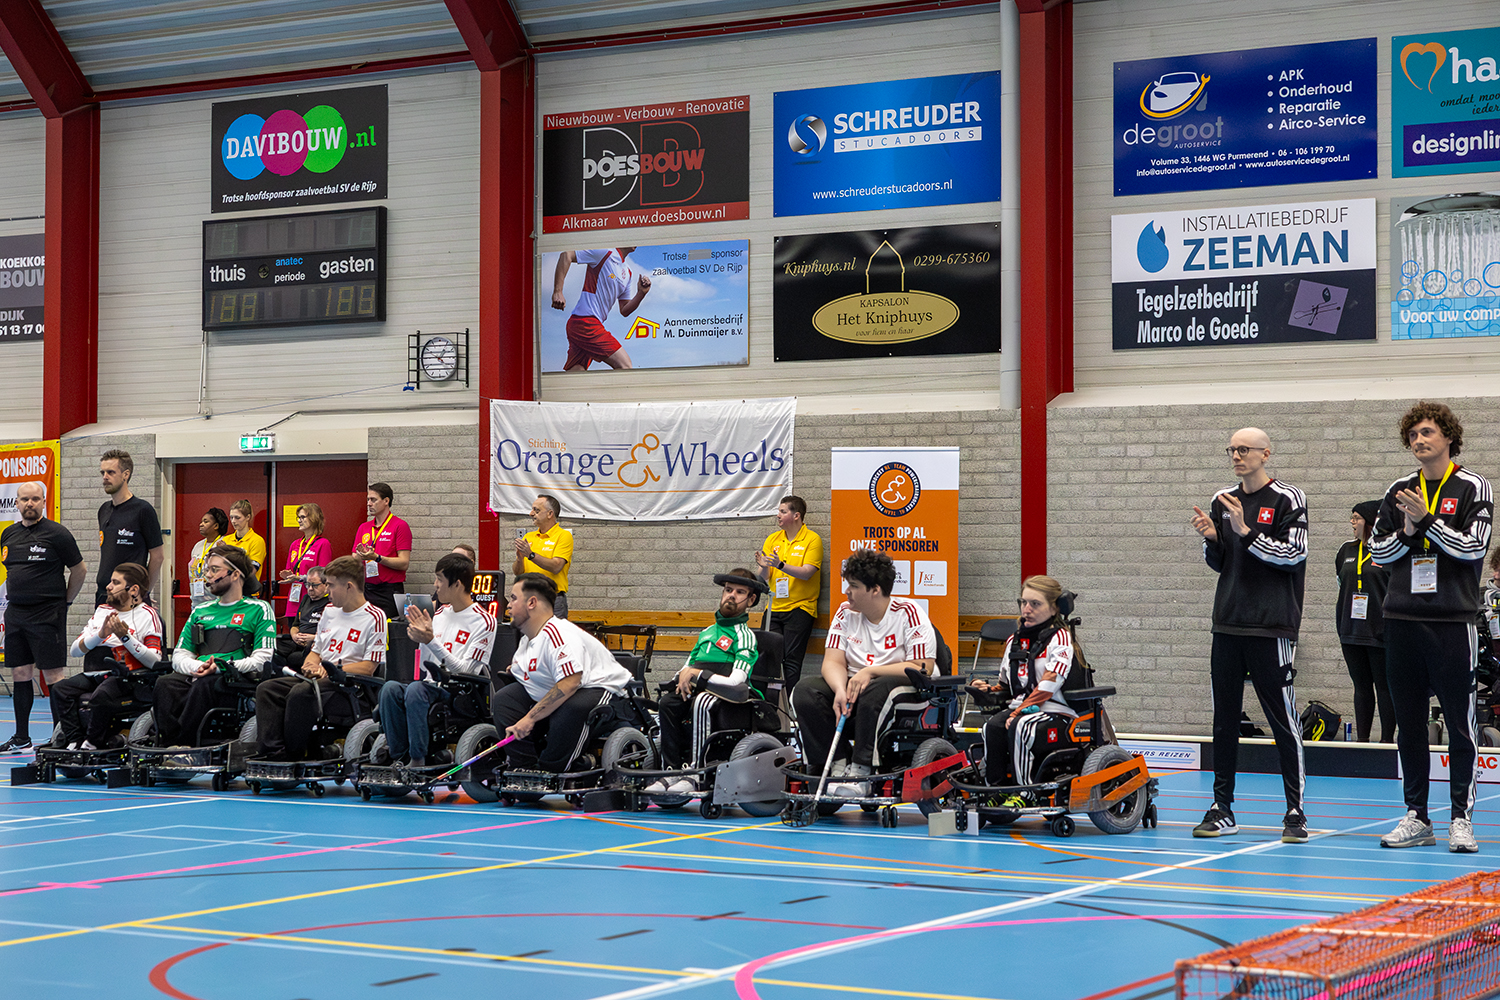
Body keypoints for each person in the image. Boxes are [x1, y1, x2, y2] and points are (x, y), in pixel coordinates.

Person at [1371, 401, 1493, 853]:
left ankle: (1461, 818)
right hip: (1402, 620)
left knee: (1460, 725)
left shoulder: (1473, 486)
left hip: (1452, 622)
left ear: (1448, 437)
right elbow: (1379, 552)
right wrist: (1407, 532)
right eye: (1412, 435)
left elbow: (1472, 548)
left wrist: (1427, 521)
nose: (1419, 441)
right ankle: (1417, 816)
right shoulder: (1399, 489)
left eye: (1427, 432)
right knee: (1409, 725)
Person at [1189, 427, 1309, 843]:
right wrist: (1213, 540)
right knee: (1225, 721)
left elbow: (1293, 555)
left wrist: (1246, 531)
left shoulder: (1288, 498)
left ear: (1265, 454)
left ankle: (1295, 812)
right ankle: (1222, 808)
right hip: (1228, 623)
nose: (1237, 456)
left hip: (1271, 625)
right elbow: (1222, 564)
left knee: (1282, 721)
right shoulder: (1222, 499)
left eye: (1244, 449)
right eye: (1232, 450)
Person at [790, 548, 936, 798]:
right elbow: (832, 662)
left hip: (903, 685)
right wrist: (839, 689)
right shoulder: (844, 612)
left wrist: (870, 671)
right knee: (805, 690)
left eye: (854, 586)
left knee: (875, 690)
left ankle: (862, 771)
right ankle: (836, 763)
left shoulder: (908, 612)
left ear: (875, 589)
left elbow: (923, 666)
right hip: (854, 682)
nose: (847, 591)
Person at [493, 573, 632, 773]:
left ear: (532, 602)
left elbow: (569, 683)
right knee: (505, 699)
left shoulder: (559, 634)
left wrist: (530, 718)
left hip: (601, 689)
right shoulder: (528, 638)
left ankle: (552, 770)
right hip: (566, 689)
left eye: (513, 598)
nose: (508, 605)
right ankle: (523, 767)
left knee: (570, 708)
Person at [644, 570, 764, 796]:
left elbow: (736, 680)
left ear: (751, 600)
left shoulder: (745, 635)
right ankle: (670, 772)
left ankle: (695, 774)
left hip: (729, 697)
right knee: (668, 702)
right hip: (699, 688)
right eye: (728, 590)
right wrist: (681, 677)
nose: (731, 595)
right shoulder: (707, 632)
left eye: (740, 592)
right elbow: (686, 667)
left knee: (702, 702)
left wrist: (698, 675)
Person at [254, 556, 385, 760]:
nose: (328, 591)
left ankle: (294, 755)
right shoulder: (329, 611)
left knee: (301, 693)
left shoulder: (374, 616)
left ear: (349, 586)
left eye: (331, 585)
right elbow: (316, 650)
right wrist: (310, 665)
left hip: (349, 688)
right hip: (318, 681)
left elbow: (369, 667)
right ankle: (273, 753)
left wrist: (331, 669)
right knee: (268, 689)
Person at [376, 554, 496, 767]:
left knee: (416, 690)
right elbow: (426, 664)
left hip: (459, 691)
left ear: (457, 584)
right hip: (431, 686)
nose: (435, 585)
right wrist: (421, 640)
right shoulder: (440, 613)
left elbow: (467, 671)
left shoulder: (484, 621)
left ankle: (418, 759)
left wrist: (430, 641)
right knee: (390, 689)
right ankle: (399, 756)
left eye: (440, 579)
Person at [153, 547, 275, 747]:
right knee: (165, 684)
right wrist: (197, 667)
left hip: (233, 680)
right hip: (199, 673)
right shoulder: (200, 611)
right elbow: (180, 654)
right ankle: (166, 745)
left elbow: (263, 659)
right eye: (207, 570)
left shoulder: (259, 609)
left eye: (214, 569)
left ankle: (186, 747)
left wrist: (219, 667)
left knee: (205, 684)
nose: (208, 575)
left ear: (235, 574)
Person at [0, 481, 86, 754]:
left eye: (35, 499)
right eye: (25, 499)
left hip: (48, 613)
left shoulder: (57, 534)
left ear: (43, 501)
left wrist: (66, 601)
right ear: (16, 503)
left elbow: (80, 569)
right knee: (20, 672)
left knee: (53, 675)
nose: (30, 504)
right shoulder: (9, 534)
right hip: (16, 613)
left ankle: (61, 737)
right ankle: (21, 737)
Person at [972, 576, 1080, 788]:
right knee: (992, 727)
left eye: (1035, 604)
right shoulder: (1014, 641)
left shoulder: (1060, 638)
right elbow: (1006, 686)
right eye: (1023, 602)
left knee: (1021, 727)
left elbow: (1049, 684)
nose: (1026, 609)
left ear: (1054, 609)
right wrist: (987, 690)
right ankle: (995, 790)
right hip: (1022, 708)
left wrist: (1017, 712)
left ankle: (1023, 792)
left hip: (1056, 710)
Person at [48, 563, 163, 750]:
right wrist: (101, 635)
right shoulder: (103, 611)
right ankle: (74, 739)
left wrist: (125, 638)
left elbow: (155, 660)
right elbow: (75, 651)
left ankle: (93, 742)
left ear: (133, 590)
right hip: (98, 673)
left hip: (130, 677)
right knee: (61, 689)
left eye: (116, 583)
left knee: (100, 696)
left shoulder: (147, 615)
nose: (108, 586)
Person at [1336, 500, 1393, 743]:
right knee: (1361, 687)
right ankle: (1362, 741)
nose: (1352, 522)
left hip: (1380, 631)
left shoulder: (1386, 551)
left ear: (1370, 522)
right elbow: (1342, 583)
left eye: (1356, 518)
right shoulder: (1345, 551)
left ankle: (1387, 741)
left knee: (1384, 687)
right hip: (1351, 630)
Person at [755, 495, 823, 694]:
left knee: (791, 660)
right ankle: (767, 703)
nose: (778, 515)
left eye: (783, 511)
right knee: (766, 656)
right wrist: (763, 566)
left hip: (800, 608)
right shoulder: (773, 539)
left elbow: (807, 572)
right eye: (779, 511)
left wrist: (781, 565)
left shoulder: (812, 539)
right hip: (774, 607)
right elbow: (764, 577)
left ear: (796, 516)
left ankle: (789, 705)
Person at [551, 247, 650, 371]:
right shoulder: (604, 252)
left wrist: (641, 293)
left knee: (577, 371)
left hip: (582, 324)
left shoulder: (628, 272)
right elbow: (567, 254)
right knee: (625, 366)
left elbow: (624, 310)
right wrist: (558, 291)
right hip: (585, 323)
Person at [96, 449, 164, 605]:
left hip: (129, 596)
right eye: (103, 473)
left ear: (125, 475)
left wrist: (144, 592)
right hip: (104, 594)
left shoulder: (143, 510)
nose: (105, 477)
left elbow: (158, 556)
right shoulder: (104, 510)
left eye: (110, 472)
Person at [354, 482, 412, 621]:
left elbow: (404, 563)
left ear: (386, 501)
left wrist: (377, 557)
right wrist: (361, 555)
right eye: (368, 499)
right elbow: (354, 559)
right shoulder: (364, 527)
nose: (369, 503)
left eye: (373, 500)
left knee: (387, 629)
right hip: (367, 589)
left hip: (389, 591)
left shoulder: (400, 526)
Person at [513, 494, 573, 620]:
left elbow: (556, 566)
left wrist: (530, 555)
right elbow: (518, 572)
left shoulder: (563, 536)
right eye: (532, 509)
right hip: (528, 598)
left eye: (536, 510)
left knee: (551, 633)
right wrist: (520, 559)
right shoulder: (528, 537)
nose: (531, 513)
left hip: (552, 599)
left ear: (550, 514)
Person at [279, 503, 332, 621]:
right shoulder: (295, 544)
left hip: (312, 599)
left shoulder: (323, 544)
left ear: (314, 518)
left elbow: (323, 575)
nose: (299, 520)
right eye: (298, 517)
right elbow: (291, 569)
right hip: (294, 600)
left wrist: (300, 578)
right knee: (293, 629)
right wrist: (288, 576)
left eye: (303, 517)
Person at [275, 565, 330, 673]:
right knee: (273, 646)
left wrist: (314, 638)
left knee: (299, 655)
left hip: (316, 643)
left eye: (314, 585)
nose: (310, 589)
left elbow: (334, 633)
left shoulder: (331, 602)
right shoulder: (305, 599)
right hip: (297, 641)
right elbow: (295, 625)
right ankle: (280, 676)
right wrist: (294, 636)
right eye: (308, 584)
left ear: (326, 584)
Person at [187, 508, 229, 609]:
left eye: (206, 522)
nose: (201, 524)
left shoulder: (224, 544)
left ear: (216, 526)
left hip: (217, 603)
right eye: (201, 521)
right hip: (197, 603)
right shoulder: (198, 546)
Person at [223, 499, 267, 581]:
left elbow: (251, 570)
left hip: (246, 588)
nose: (233, 521)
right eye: (231, 517)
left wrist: (228, 556)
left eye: (237, 517)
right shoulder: (226, 540)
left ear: (248, 517)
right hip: (227, 587)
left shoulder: (257, 541)